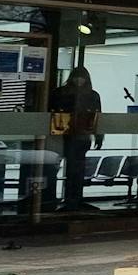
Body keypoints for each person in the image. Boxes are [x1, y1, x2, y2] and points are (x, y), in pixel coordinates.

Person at [49, 66, 103, 211]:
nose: (79, 80)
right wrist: (98, 135)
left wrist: (98, 136)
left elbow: (98, 117)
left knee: (77, 169)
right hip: (67, 136)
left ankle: (74, 200)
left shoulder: (63, 93)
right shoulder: (90, 95)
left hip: (78, 136)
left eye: (82, 77)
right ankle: (71, 200)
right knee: (72, 168)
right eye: (77, 77)